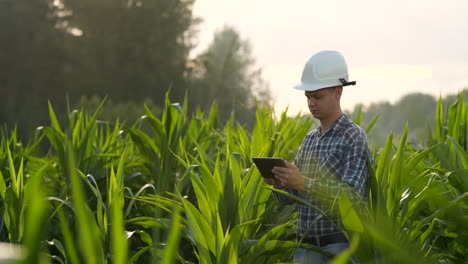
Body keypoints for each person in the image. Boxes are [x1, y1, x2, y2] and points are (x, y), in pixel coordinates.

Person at [265, 50, 372, 264]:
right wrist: (279, 184)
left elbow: (351, 198)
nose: (312, 102)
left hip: (340, 248)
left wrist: (304, 183)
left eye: (318, 96)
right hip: (305, 248)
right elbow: (290, 198)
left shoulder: (353, 137)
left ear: (338, 92)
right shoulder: (310, 140)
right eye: (308, 97)